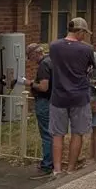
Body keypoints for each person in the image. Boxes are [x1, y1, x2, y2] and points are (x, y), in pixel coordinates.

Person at [49, 18, 96, 175]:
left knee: (58, 134)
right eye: (85, 33)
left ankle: (57, 169)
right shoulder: (87, 50)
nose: (85, 36)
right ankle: (70, 169)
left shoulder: (54, 47)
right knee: (77, 133)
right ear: (80, 31)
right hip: (80, 96)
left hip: (58, 96)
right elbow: (90, 69)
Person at [27, 43, 54, 179]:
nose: (31, 60)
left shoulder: (44, 65)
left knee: (46, 134)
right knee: (52, 133)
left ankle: (47, 165)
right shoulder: (51, 60)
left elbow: (43, 87)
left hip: (44, 101)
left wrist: (30, 83)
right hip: (53, 101)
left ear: (35, 54)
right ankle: (51, 162)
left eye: (30, 57)